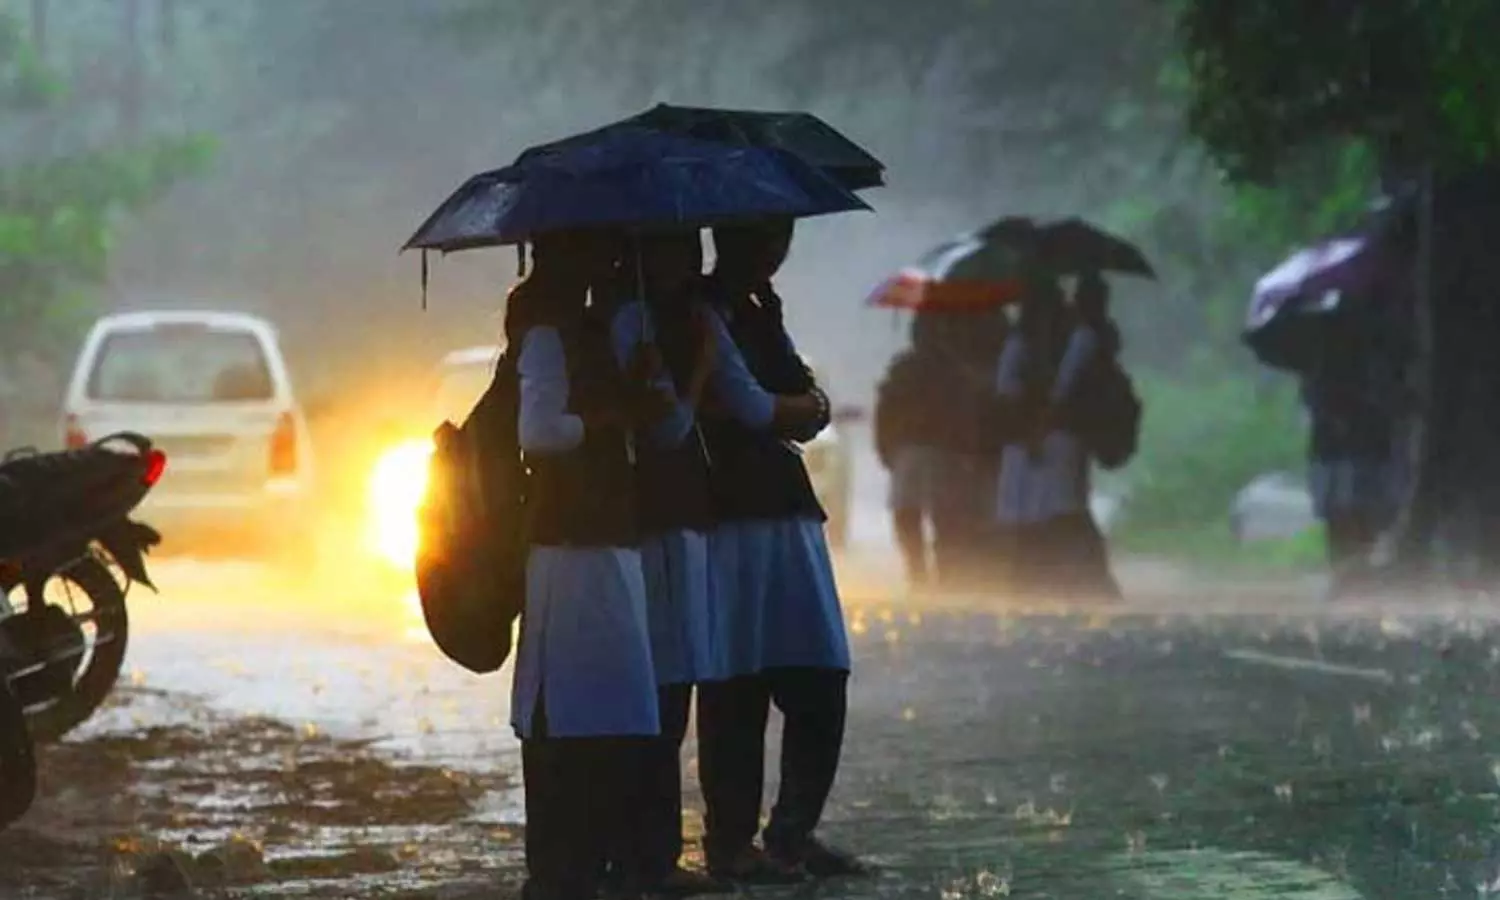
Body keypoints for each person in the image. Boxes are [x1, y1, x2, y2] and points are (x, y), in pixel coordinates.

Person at [695, 218, 866, 882]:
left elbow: (803, 400)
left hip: (785, 511)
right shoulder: (703, 312)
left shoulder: (761, 311)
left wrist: (798, 403)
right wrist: (798, 406)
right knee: (737, 684)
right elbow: (758, 408)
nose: (776, 250)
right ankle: (732, 841)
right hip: (731, 515)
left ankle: (791, 833)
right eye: (768, 236)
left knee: (820, 674)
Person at [507, 229, 671, 900]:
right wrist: (611, 416)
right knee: (572, 709)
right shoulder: (548, 334)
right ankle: (561, 867)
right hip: (568, 545)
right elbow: (539, 432)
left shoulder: (595, 333)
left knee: (610, 702)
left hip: (609, 539)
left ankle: (598, 857)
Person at [602, 230, 727, 896]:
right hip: (659, 522)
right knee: (664, 693)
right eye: (676, 247)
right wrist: (703, 366)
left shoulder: (650, 317)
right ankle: (649, 856)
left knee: (665, 694)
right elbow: (669, 428)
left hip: (669, 520)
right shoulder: (636, 323)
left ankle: (643, 851)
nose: (689, 260)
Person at [986, 276, 1121, 602]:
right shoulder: (1076, 338)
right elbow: (1059, 389)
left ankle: (1041, 582)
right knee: (1060, 513)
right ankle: (1061, 581)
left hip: (1038, 439)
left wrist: (1033, 429)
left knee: (1047, 516)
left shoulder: (1031, 341)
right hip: (1055, 437)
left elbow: (1010, 391)